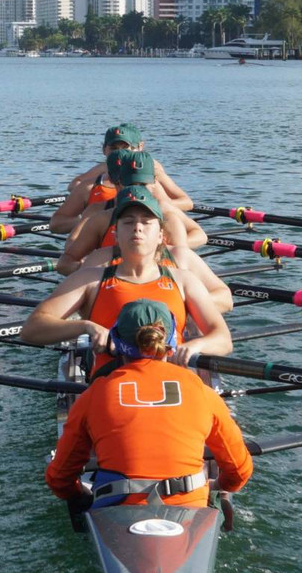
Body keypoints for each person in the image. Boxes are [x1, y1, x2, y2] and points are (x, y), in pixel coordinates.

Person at [45, 298, 253, 513]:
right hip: (190, 509)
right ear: (170, 341)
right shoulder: (202, 392)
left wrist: (80, 496)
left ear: (116, 342)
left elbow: (59, 479)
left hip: (116, 508)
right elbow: (239, 471)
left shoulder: (94, 394)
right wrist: (218, 487)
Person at [20, 184, 233, 376]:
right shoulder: (90, 280)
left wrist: (197, 345)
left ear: (161, 235)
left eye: (146, 222)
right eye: (128, 222)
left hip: (173, 380)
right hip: (112, 384)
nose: (137, 227)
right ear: (116, 234)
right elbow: (31, 330)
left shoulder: (184, 281)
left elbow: (223, 339)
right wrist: (85, 327)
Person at [57, 149, 235, 311]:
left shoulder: (170, 219)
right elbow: (66, 261)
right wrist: (92, 276)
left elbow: (195, 246)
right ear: (117, 182)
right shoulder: (99, 221)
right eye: (130, 184)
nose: (137, 191)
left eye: (143, 185)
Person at [49, 123, 194, 233]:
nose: (120, 154)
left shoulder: (152, 176)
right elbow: (57, 222)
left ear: (139, 148)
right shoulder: (94, 180)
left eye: (125, 148)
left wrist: (149, 210)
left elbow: (186, 204)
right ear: (104, 149)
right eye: (114, 149)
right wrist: (94, 220)